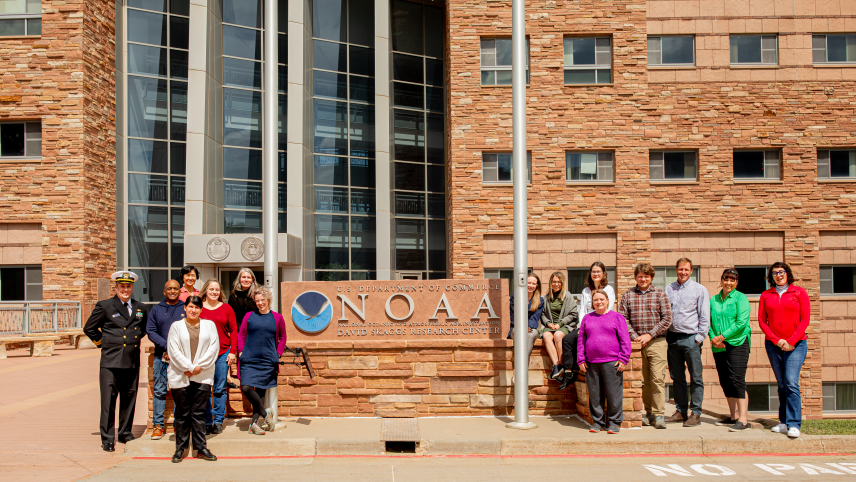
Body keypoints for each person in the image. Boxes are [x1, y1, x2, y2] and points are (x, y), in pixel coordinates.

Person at [83, 271, 149, 452]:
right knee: (108, 402)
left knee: (129, 398)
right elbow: (89, 328)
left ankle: (125, 432)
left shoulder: (140, 307)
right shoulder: (105, 306)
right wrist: (103, 343)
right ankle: (107, 438)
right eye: (122, 286)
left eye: (128, 286)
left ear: (132, 287)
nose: (125, 289)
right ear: (116, 287)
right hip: (110, 362)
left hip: (131, 361)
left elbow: (142, 330)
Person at [759, 262, 810, 439]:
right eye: (774, 273)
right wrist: (777, 340)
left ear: (787, 274)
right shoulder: (766, 295)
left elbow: (805, 319)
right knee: (781, 384)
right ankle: (783, 422)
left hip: (796, 344)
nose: (778, 275)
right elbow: (762, 321)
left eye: (781, 272)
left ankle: (794, 423)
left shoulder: (799, 292)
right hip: (774, 345)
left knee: (791, 382)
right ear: (771, 277)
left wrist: (791, 341)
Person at [618, 262, 672, 429]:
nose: (643, 279)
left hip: (656, 342)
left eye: (646, 276)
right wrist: (635, 337)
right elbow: (622, 318)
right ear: (636, 277)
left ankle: (659, 414)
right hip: (636, 344)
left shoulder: (660, 294)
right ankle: (648, 413)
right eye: (640, 276)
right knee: (643, 381)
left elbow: (667, 319)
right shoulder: (627, 295)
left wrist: (649, 335)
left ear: (651, 277)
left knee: (657, 378)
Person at [166, 296, 219, 463]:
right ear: (185, 308)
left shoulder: (209, 325)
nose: (193, 310)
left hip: (202, 375)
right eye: (190, 306)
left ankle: (201, 447)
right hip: (180, 375)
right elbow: (173, 350)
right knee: (182, 414)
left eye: (196, 307)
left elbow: (213, 348)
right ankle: (180, 448)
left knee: (198, 413)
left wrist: (196, 369)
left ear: (201, 310)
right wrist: (188, 368)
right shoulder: (176, 327)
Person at [664, 258, 710, 427]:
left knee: (696, 377)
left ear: (691, 271)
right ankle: (681, 411)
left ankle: (696, 413)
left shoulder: (699, 289)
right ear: (676, 270)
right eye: (680, 269)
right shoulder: (669, 289)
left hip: (691, 339)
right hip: (673, 338)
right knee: (677, 377)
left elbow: (705, 316)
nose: (683, 272)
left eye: (686, 269)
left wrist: (698, 339)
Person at [578, 289, 631, 434]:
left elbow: (625, 339)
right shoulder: (587, 318)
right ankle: (598, 422)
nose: (599, 302)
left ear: (608, 300)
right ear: (592, 302)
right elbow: (581, 340)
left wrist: (623, 358)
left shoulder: (617, 317)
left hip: (612, 362)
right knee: (595, 394)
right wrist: (581, 359)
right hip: (591, 363)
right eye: (596, 300)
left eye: (602, 299)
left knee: (614, 394)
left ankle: (614, 423)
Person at [237, 287, 288, 435]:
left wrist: (278, 354)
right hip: (249, 359)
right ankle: (266, 415)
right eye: (257, 300)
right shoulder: (249, 316)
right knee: (246, 387)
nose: (260, 303)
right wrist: (240, 351)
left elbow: (283, 338)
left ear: (268, 300)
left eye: (262, 300)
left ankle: (254, 424)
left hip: (267, 360)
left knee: (260, 394)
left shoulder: (277, 318)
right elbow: (241, 334)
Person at [559, 262, 615, 390]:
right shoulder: (586, 290)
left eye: (598, 271)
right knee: (567, 339)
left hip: (602, 324)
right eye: (593, 271)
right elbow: (583, 310)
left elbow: (608, 308)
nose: (595, 274)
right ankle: (569, 371)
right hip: (587, 323)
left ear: (603, 274)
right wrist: (583, 326)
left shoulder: (608, 290)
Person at [709, 268, 752, 432]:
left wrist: (722, 337)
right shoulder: (714, 300)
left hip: (737, 343)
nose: (728, 282)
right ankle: (733, 417)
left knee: (737, 380)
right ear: (721, 280)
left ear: (736, 282)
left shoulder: (741, 298)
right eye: (726, 279)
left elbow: (741, 323)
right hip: (718, 345)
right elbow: (709, 321)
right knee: (725, 380)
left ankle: (743, 419)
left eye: (732, 280)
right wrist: (714, 338)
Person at [145, 279, 187, 440]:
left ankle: (179, 424)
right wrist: (167, 347)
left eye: (175, 288)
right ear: (164, 291)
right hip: (161, 355)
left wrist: (175, 350)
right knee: (160, 390)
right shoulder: (156, 310)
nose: (172, 291)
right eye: (169, 288)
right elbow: (151, 331)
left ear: (179, 291)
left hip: (180, 357)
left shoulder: (184, 307)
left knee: (179, 390)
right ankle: (158, 425)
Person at [199, 279, 238, 434]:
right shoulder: (198, 307)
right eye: (211, 289)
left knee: (220, 388)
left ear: (220, 292)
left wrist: (233, 351)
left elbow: (234, 331)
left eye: (217, 289)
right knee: (205, 388)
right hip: (204, 355)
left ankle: (218, 421)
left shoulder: (227, 308)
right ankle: (207, 420)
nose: (214, 292)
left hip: (222, 352)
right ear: (205, 291)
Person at [540, 271, 579, 381]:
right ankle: (556, 365)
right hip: (551, 325)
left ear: (562, 283)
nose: (556, 284)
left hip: (565, 325)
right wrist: (548, 323)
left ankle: (563, 364)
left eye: (559, 282)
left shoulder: (568, 296)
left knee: (558, 335)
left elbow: (573, 313)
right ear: (550, 283)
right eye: (554, 282)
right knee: (546, 336)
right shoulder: (546, 298)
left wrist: (560, 324)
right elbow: (542, 314)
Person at [507, 274, 544, 362]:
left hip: (531, 328)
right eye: (529, 283)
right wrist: (522, 327)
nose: (531, 286)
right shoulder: (515, 297)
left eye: (534, 284)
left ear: (537, 286)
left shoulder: (540, 300)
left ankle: (519, 369)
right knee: (521, 334)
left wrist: (527, 327)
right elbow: (514, 315)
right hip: (517, 327)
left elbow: (535, 318)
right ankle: (522, 372)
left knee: (529, 335)